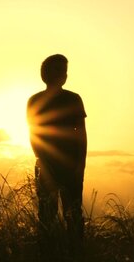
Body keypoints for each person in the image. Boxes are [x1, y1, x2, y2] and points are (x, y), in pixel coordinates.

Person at [27, 54, 87, 255]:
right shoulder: (34, 100)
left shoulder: (73, 98)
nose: (63, 74)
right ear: (45, 73)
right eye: (58, 69)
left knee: (74, 213)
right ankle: (48, 252)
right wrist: (44, 165)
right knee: (46, 215)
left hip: (71, 163)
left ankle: (77, 252)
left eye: (65, 70)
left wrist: (81, 164)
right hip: (45, 164)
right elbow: (34, 135)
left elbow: (82, 133)